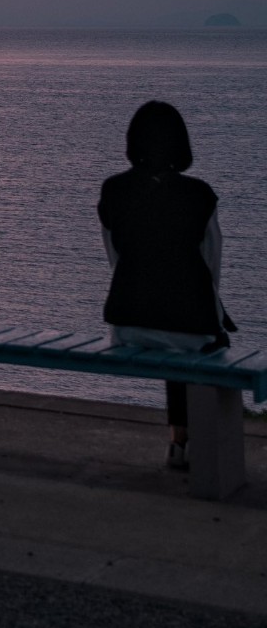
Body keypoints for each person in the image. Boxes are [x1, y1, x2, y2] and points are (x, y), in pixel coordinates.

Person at [99, 99, 229, 473]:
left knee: (168, 332)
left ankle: (177, 441)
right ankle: (192, 441)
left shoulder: (113, 190)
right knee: (194, 340)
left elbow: (116, 259)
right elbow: (211, 266)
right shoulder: (200, 195)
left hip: (128, 326)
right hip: (189, 325)